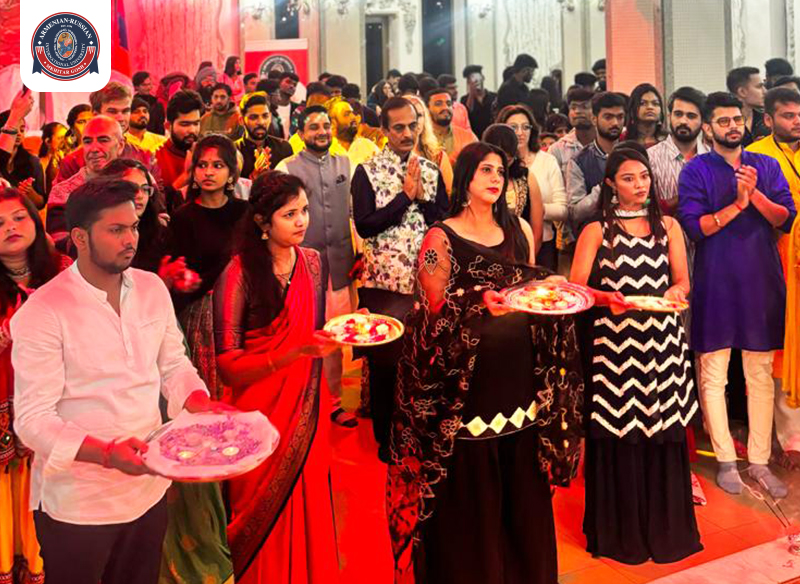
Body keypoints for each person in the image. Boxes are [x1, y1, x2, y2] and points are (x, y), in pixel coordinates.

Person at [12, 178, 228, 584]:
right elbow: (33, 420)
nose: (130, 239)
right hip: (79, 503)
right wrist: (108, 454)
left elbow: (173, 364)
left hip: (147, 489)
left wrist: (198, 402)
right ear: (80, 237)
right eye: (116, 230)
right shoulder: (44, 311)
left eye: (133, 227)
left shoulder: (150, 288)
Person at [387, 141, 582, 582]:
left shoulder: (518, 230)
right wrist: (478, 301)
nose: (496, 179)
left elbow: (529, 288)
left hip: (520, 376)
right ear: (465, 179)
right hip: (467, 387)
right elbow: (431, 311)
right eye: (485, 171)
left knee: (521, 492)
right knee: (474, 492)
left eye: (500, 172)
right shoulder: (441, 237)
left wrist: (552, 288)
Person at [571, 147, 702, 564]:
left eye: (644, 176)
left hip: (663, 344)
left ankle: (666, 529)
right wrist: (605, 298)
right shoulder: (596, 230)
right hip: (615, 347)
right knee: (620, 430)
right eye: (628, 178)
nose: (640, 185)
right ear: (611, 184)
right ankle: (621, 532)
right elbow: (576, 289)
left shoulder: (669, 227)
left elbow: (682, 281)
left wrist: (675, 293)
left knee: (662, 428)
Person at [214, 171, 339, 583]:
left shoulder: (314, 264)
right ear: (262, 222)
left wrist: (340, 333)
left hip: (308, 406)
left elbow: (316, 332)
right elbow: (228, 366)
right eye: (289, 214)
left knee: (308, 498)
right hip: (258, 416)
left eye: (304, 210)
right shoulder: (239, 273)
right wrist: (292, 353)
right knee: (259, 512)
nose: (302, 220)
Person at [678, 91, 797, 497]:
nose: (733, 127)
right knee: (713, 373)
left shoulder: (765, 165)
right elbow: (695, 228)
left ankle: (759, 461)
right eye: (723, 121)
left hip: (761, 281)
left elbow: (785, 219)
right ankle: (726, 459)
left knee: (759, 374)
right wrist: (737, 205)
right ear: (708, 128)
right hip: (715, 282)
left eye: (737, 120)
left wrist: (755, 195)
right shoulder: (696, 170)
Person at [351, 97, 449, 462]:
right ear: (384, 130)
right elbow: (365, 225)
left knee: (424, 361)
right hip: (383, 285)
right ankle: (386, 439)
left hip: (425, 282)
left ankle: (420, 434)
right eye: (398, 127)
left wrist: (421, 199)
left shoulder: (430, 169)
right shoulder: (367, 172)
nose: (407, 133)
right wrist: (404, 198)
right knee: (386, 366)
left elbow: (443, 221)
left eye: (412, 126)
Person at [0, 187, 69, 584]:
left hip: (59, 400)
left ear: (35, 220)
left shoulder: (64, 272)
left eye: (19, 217)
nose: (10, 227)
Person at [275, 106, 358, 428]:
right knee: (301, 335)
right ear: (300, 133)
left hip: (339, 266)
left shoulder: (346, 163)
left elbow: (353, 214)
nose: (322, 132)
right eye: (314, 127)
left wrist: (360, 252)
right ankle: (299, 401)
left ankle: (335, 402)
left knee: (335, 335)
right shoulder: (287, 168)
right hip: (300, 269)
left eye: (326, 125)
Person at [168, 134, 249, 398]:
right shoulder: (183, 218)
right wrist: (183, 279)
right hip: (202, 317)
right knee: (212, 392)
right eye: (202, 165)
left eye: (217, 165)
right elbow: (176, 271)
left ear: (231, 173)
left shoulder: (245, 213)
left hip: (244, 310)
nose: (208, 172)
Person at [746, 88, 800, 465]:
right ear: (768, 119)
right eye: (787, 115)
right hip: (774, 259)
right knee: (781, 346)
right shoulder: (755, 155)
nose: (796, 121)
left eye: (799, 114)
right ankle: (791, 437)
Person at [497, 104, 567, 270]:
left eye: (525, 127)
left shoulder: (547, 161)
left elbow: (563, 209)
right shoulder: (495, 162)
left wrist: (534, 208)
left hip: (544, 243)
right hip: (501, 243)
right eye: (513, 127)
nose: (520, 133)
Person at [56, 82, 163, 191]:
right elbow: (59, 199)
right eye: (112, 111)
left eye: (125, 111)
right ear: (96, 115)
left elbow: (157, 198)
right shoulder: (72, 163)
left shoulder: (146, 157)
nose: (121, 118)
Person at [46, 116, 126, 244]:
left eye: (103, 140)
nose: (94, 149)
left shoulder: (139, 182)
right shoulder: (62, 193)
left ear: (121, 145)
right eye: (88, 142)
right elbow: (60, 243)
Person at [566, 91, 626, 237]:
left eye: (620, 117)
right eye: (608, 117)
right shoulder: (579, 161)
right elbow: (575, 213)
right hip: (596, 237)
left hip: (632, 233)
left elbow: (648, 200)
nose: (615, 123)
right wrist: (603, 187)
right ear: (594, 119)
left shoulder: (633, 154)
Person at [481, 123, 544, 253]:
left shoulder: (527, 177)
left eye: (508, 160)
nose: (503, 165)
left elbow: (537, 231)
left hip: (520, 251)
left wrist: (528, 259)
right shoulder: (476, 177)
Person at [648, 86, 709, 216]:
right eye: (678, 114)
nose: (683, 121)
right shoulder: (650, 157)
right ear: (669, 116)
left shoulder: (712, 158)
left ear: (703, 122)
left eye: (691, 116)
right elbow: (643, 203)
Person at [155, 89, 204, 211]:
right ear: (168, 126)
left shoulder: (208, 155)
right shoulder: (155, 160)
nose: (192, 130)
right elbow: (155, 206)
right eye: (185, 124)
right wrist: (186, 176)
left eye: (196, 123)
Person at [0, 94, 45, 209]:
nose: (18, 134)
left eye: (22, 129)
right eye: (14, 129)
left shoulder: (33, 162)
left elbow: (41, 204)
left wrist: (30, 192)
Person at [235, 94, 293, 180]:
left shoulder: (283, 148)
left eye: (265, 116)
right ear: (241, 120)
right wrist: (254, 176)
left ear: (270, 117)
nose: (261, 122)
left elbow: (290, 183)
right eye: (254, 117)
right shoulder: (232, 151)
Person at [404, 94, 454, 193]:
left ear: (425, 119)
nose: (415, 121)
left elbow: (449, 194)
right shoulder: (384, 154)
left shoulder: (438, 156)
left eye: (419, 115)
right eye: (409, 115)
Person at [549, 87, 596, 176]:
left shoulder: (605, 143)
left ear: (596, 112)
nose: (577, 111)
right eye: (573, 107)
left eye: (584, 107)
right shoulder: (558, 149)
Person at [425, 89, 477, 167]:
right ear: (427, 109)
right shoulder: (420, 138)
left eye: (448, 104)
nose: (445, 107)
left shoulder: (468, 138)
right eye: (438, 104)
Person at [328, 99, 381, 173]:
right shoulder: (326, 151)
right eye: (347, 114)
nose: (353, 117)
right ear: (333, 123)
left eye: (352, 113)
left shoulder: (368, 146)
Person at [727, 66, 769, 146]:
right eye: (759, 87)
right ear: (742, 92)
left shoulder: (766, 121)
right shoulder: (726, 124)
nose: (765, 91)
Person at [624, 83, 668, 147]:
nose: (650, 107)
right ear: (632, 110)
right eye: (643, 103)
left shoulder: (669, 141)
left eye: (655, 103)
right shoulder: (623, 140)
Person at [461, 65, 496, 140]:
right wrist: (472, 92)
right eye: (472, 79)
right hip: (474, 138)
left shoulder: (494, 97)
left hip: (492, 136)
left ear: (483, 77)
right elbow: (468, 111)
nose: (476, 81)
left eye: (478, 78)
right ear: (468, 82)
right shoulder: (464, 99)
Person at [133, 71, 167, 136]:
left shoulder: (157, 103)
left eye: (149, 84)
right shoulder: (131, 103)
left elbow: (160, 127)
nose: (148, 87)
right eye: (144, 85)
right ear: (136, 87)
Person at [39, 121, 68, 198]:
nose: (65, 142)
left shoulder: (71, 161)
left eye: (66, 138)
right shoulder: (38, 164)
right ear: (48, 141)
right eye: (60, 138)